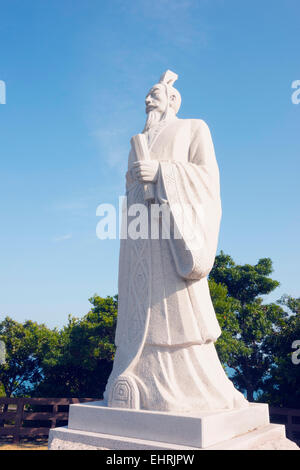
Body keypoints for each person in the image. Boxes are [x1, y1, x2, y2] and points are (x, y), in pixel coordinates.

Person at [103, 71, 248, 412]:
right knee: (139, 304)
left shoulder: (194, 128)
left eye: (154, 94)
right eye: (146, 95)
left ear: (172, 99)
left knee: (176, 309)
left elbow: (207, 179)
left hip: (173, 233)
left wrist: (163, 174)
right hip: (141, 235)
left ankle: (185, 386)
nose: (147, 100)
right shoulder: (135, 142)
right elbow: (131, 191)